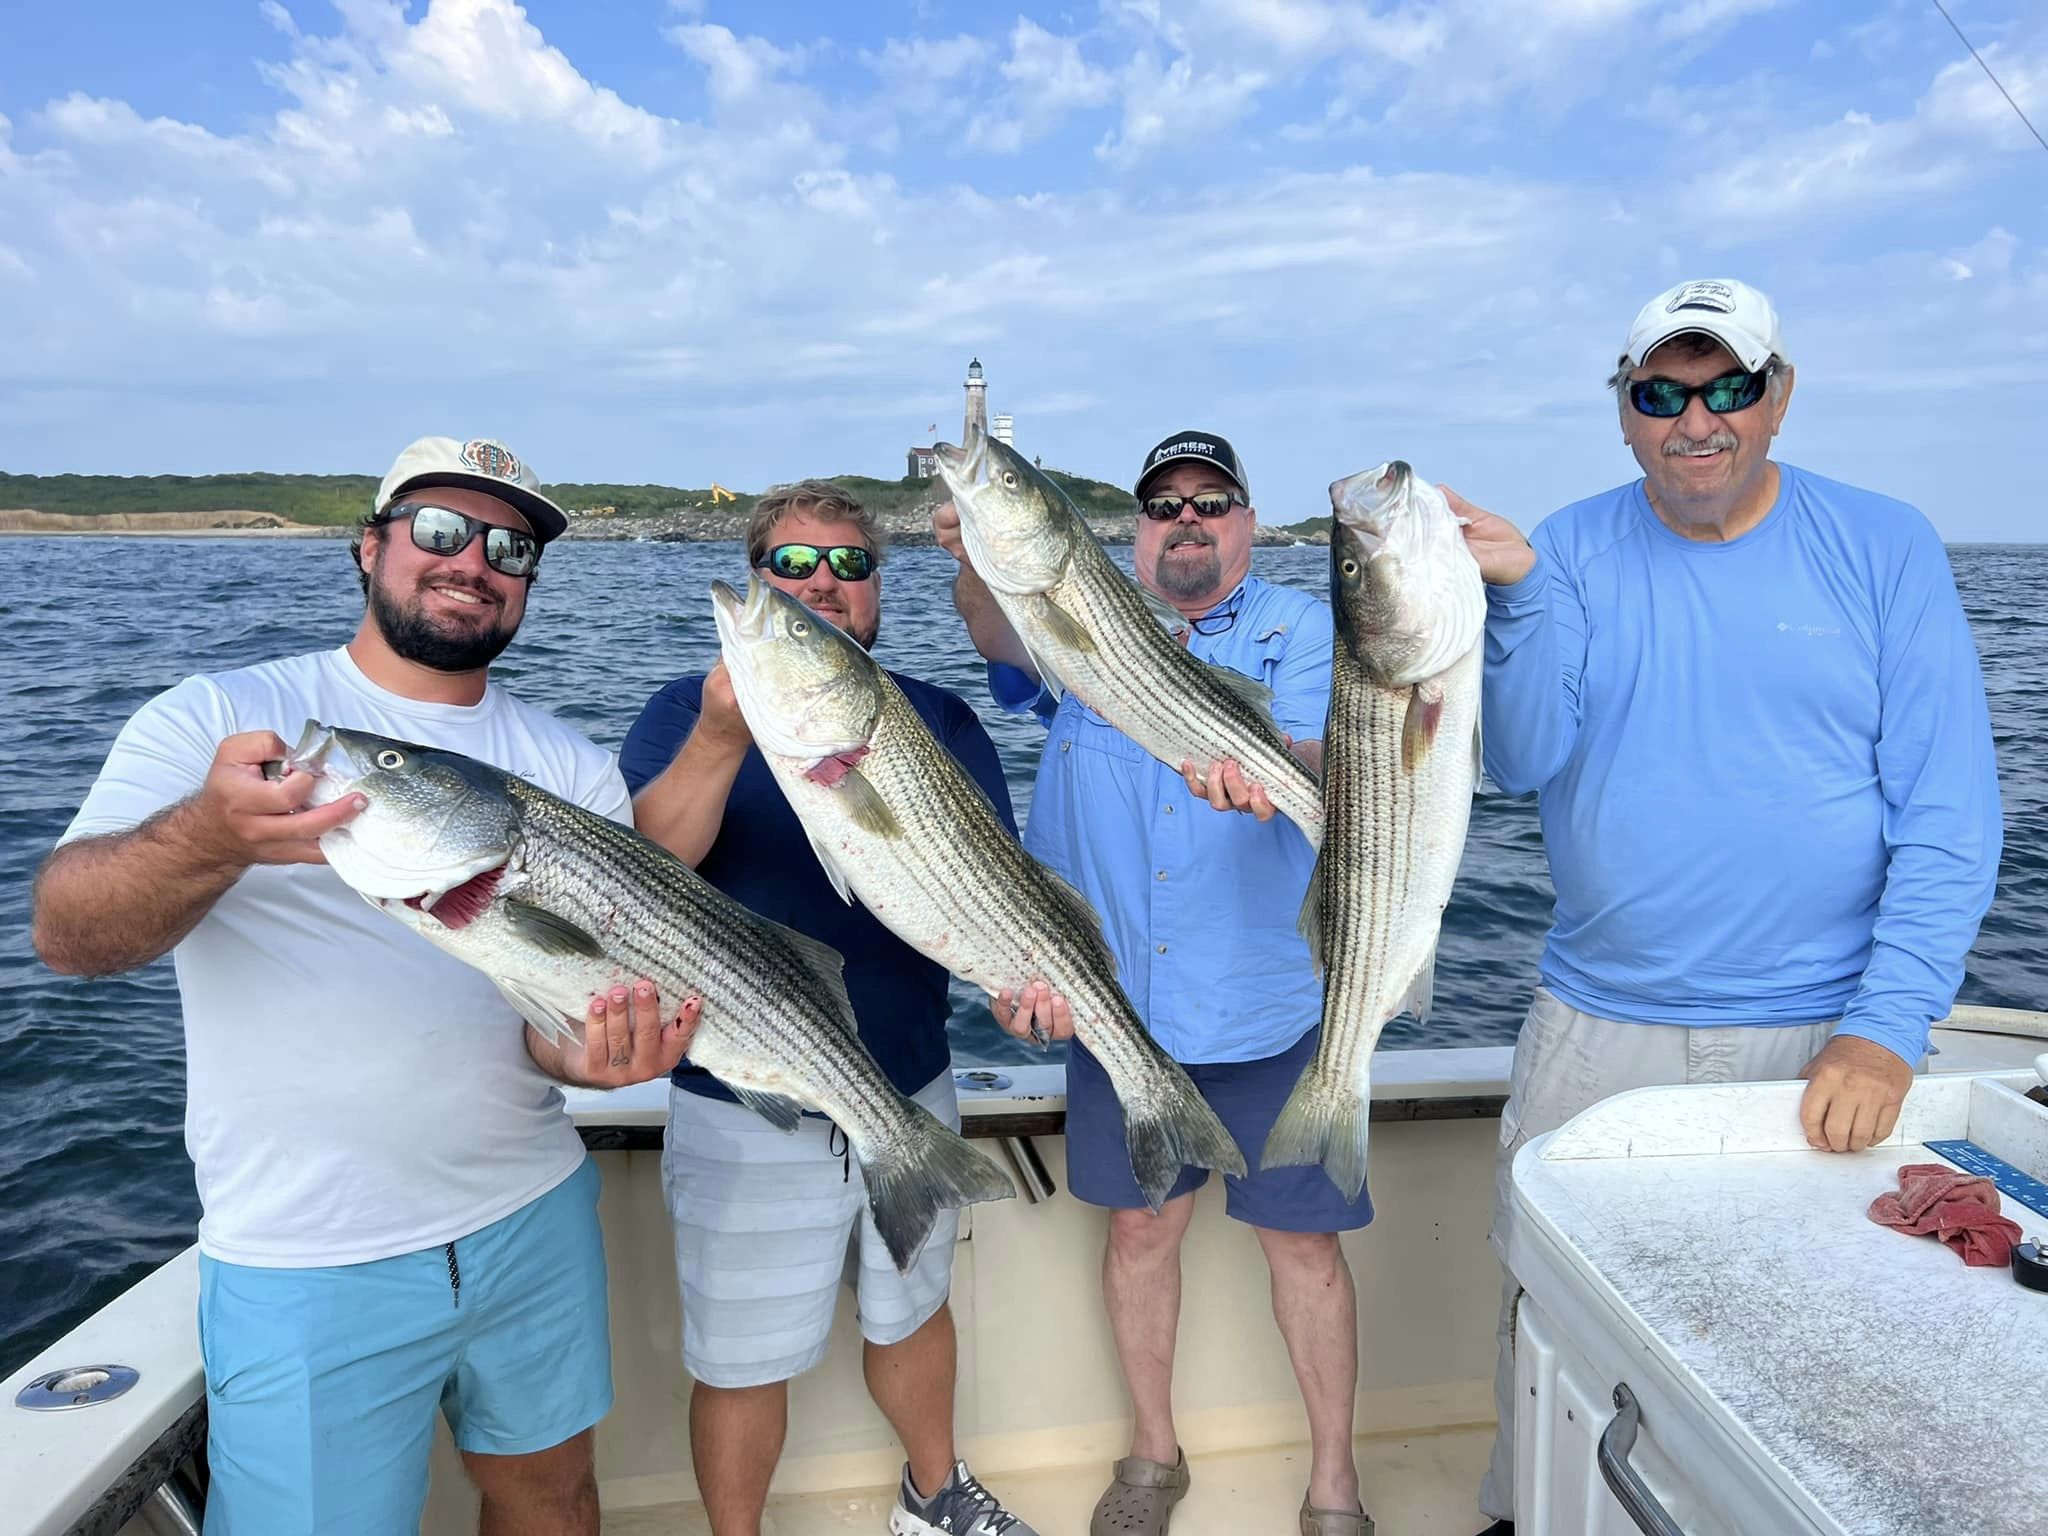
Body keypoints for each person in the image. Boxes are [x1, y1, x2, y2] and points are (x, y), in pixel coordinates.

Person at [30, 436, 701, 1535]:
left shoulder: (571, 766)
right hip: (307, 1251)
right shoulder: (220, 717)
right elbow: (69, 936)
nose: (472, 561)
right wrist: (209, 837)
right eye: (439, 530)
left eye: (509, 548)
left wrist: (586, 1057)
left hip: (532, 1210)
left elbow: (545, 1017)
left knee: (554, 1500)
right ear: (368, 546)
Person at [1450, 278, 2003, 1536]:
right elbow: (1519, 759)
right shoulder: (1563, 549)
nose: (1694, 421)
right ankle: (1522, 1512)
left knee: (1810, 1346)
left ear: (1778, 396)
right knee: (1547, 1318)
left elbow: (1948, 815)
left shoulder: (1884, 543)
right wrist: (1517, 597)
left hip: (1822, 1040)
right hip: (1596, 1025)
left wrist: (1885, 1029)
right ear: (1623, 411)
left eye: (1726, 388)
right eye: (1659, 393)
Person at [937, 432, 1376, 1536]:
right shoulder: (1083, 625)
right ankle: (1152, 1455)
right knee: (1139, 1236)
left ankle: (1333, 1481)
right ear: (1134, 531)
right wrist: (977, 556)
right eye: (1163, 504)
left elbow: (1325, 758)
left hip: (1269, 1004)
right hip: (1118, 1009)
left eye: (1210, 502)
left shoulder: (1300, 629)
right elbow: (994, 632)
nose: (1186, 519)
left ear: (1247, 523)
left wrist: (1272, 769)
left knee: (1304, 1247)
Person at [621, 479, 1042, 1536]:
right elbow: (648, 867)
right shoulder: (682, 712)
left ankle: (934, 1499)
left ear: (878, 588)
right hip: (746, 1087)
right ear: (757, 579)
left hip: (910, 1075)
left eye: (849, 565)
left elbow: (989, 888)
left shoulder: (940, 717)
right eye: (793, 566)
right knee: (740, 1359)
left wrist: (1023, 983)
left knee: (915, 1312)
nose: (822, 585)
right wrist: (723, 734)